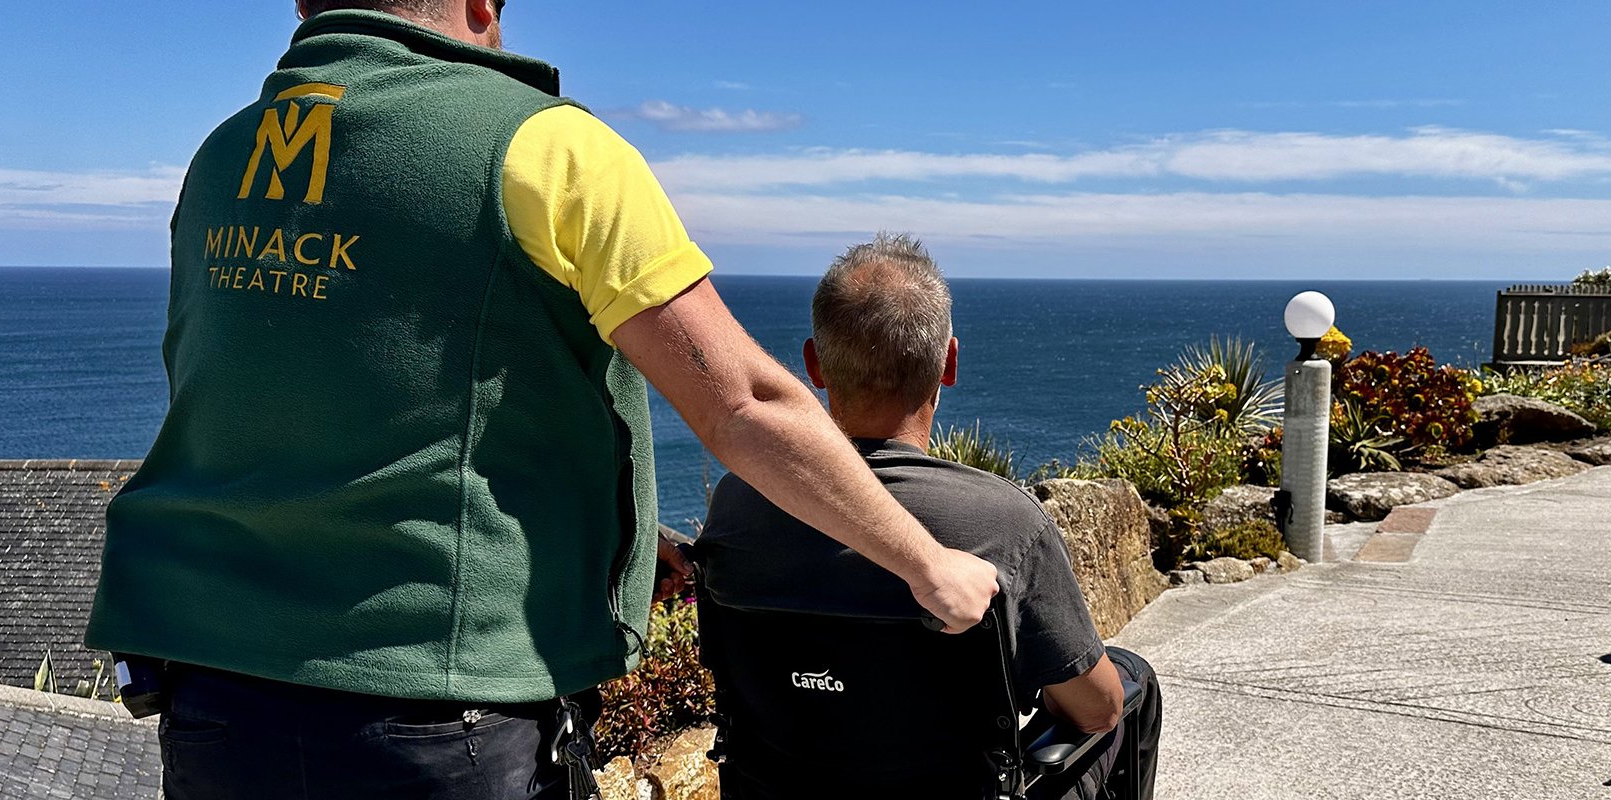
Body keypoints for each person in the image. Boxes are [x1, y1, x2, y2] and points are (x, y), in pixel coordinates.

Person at [82, 3, 997, 798]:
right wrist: (927, 564)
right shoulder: (542, 145)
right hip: (437, 714)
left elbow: (299, 408)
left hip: (216, 697)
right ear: (482, 2)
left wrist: (605, 536)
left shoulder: (222, 156)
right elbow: (742, 404)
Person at [694, 234, 1163, 799]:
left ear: (813, 366)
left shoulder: (737, 504)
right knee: (1130, 680)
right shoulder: (1004, 523)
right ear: (949, 363)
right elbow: (1096, 710)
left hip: (774, 789)